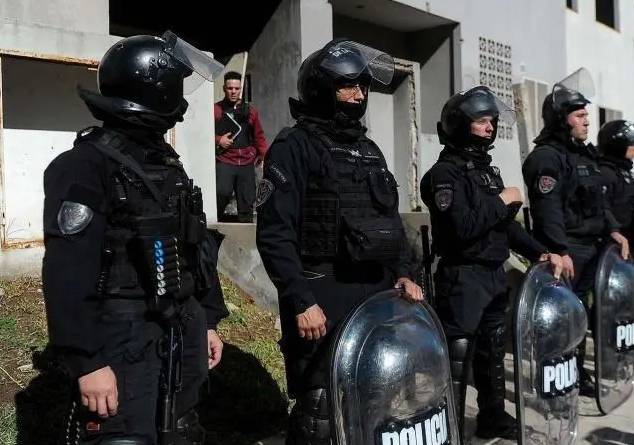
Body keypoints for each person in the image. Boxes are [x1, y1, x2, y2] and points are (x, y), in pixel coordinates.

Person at [42, 31, 228, 444]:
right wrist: (87, 362)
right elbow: (66, 273)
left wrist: (208, 320)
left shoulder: (165, 164)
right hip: (121, 339)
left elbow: (194, 248)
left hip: (180, 328)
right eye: (174, 85)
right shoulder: (85, 165)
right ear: (153, 86)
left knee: (181, 432)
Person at [255, 39, 423, 445]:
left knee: (375, 396)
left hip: (374, 294)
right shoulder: (293, 147)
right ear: (321, 89)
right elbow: (275, 232)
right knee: (320, 409)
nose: (359, 95)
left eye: (363, 87)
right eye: (348, 87)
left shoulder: (369, 151)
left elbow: (390, 221)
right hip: (322, 293)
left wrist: (404, 274)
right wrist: (300, 300)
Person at [420, 86, 563, 439]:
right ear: (459, 124)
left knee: (493, 352)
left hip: (493, 275)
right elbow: (463, 226)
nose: (489, 127)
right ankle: (449, 428)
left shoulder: (485, 171)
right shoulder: (444, 176)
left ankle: (492, 416)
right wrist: (503, 199)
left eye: (492, 121)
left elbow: (505, 230)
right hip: (462, 277)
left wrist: (539, 252)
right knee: (458, 358)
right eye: (481, 121)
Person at [521, 72, 629, 393]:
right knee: (560, 319)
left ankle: (576, 373)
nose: (587, 122)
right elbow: (547, 209)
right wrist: (559, 249)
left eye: (587, 115)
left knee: (579, 316)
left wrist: (614, 230)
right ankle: (554, 378)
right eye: (580, 116)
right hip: (568, 251)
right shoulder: (546, 158)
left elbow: (599, 199)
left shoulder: (584, 153)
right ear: (561, 119)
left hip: (592, 247)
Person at [597, 119, 634, 368]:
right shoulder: (605, 173)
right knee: (614, 303)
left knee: (630, 302)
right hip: (612, 251)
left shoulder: (625, 172)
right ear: (618, 145)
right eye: (631, 144)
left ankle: (627, 350)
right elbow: (603, 210)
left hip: (630, 249)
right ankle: (612, 355)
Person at [214, 71, 268, 223]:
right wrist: (218, 140)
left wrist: (264, 156)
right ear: (224, 88)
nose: (233, 91)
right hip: (225, 160)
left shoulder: (251, 112)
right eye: (230, 88)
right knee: (221, 194)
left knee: (247, 201)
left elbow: (259, 136)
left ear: (241, 89)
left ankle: (246, 242)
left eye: (236, 88)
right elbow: (203, 133)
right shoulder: (216, 110)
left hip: (246, 162)